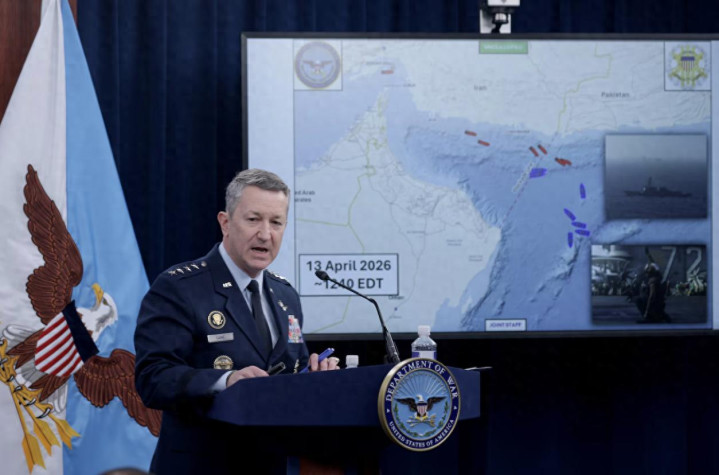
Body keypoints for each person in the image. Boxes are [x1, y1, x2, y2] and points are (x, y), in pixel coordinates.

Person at [134, 169, 339, 474]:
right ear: (225, 223)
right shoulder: (179, 287)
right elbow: (153, 379)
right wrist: (226, 381)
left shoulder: (286, 296)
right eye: (254, 219)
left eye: (276, 222)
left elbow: (286, 379)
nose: (265, 234)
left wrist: (313, 379)